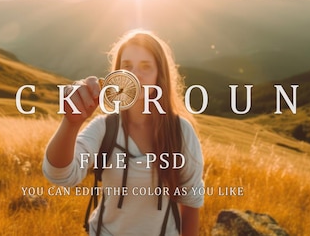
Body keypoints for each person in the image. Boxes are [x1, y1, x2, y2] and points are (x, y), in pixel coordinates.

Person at [43, 30, 204, 236]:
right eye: (127, 66)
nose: (135, 74)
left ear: (159, 76)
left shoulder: (181, 132)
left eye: (146, 67)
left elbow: (190, 204)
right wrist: (71, 122)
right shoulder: (105, 128)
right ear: (116, 75)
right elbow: (60, 176)